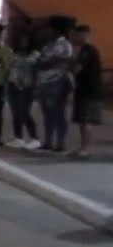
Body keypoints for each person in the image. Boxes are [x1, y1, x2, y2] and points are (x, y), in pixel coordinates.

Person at [35, 18, 73, 152]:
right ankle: (48, 141)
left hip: (57, 81)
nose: (47, 31)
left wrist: (48, 62)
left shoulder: (64, 44)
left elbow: (61, 61)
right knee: (47, 113)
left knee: (58, 113)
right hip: (45, 81)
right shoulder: (48, 45)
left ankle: (60, 143)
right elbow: (41, 62)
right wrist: (48, 62)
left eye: (49, 28)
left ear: (56, 29)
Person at [70, 24, 103, 158]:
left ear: (86, 35)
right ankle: (82, 147)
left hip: (90, 91)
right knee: (82, 121)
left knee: (87, 120)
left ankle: (86, 148)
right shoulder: (83, 50)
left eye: (78, 35)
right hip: (82, 90)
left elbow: (76, 69)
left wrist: (70, 63)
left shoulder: (88, 50)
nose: (75, 38)